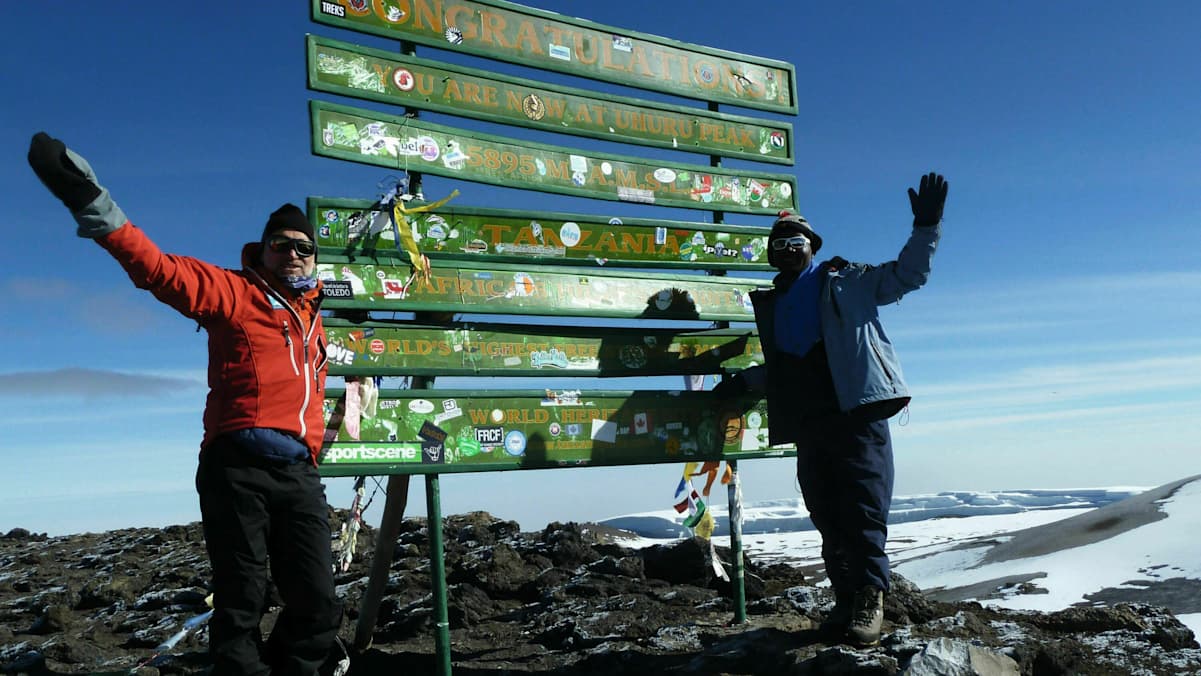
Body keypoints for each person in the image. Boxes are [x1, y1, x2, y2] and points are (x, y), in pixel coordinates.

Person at [27, 132, 342, 676]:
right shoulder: (232, 292)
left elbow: (310, 396)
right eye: (280, 243)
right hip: (236, 469)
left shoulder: (314, 323)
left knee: (318, 603)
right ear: (262, 250)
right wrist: (92, 204)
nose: (292, 252)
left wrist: (317, 443)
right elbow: (157, 269)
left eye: (303, 246)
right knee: (242, 599)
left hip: (298, 474)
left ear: (314, 256)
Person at [715, 172, 948, 646]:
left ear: (812, 245)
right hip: (810, 422)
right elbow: (785, 367)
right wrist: (743, 381)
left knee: (863, 509)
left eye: (794, 240)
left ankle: (870, 599)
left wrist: (926, 228)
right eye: (777, 242)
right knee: (826, 513)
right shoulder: (776, 304)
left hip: (857, 416)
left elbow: (909, 274)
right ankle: (845, 599)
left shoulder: (848, 280)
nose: (785, 248)